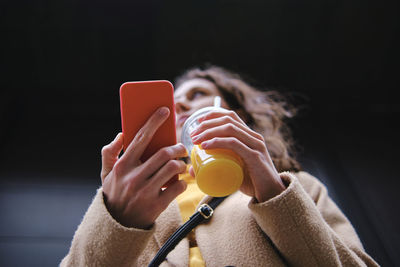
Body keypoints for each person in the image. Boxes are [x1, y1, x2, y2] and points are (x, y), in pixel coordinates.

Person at [61, 66, 378, 266]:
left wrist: (276, 199)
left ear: (233, 112)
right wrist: (117, 219)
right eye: (172, 103)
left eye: (197, 93)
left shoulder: (297, 189)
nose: (180, 104)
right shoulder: (128, 201)